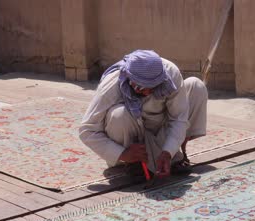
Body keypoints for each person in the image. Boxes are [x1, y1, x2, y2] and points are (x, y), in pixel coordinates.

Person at [79, 50, 207, 178]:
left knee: (195, 85)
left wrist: (168, 152)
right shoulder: (111, 84)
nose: (146, 92)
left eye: (152, 88)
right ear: (129, 78)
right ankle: (132, 164)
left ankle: (176, 156)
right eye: (141, 87)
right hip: (134, 137)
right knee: (118, 114)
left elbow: (178, 118)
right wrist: (122, 153)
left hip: (162, 128)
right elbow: (87, 130)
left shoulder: (170, 73)